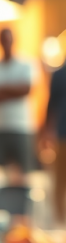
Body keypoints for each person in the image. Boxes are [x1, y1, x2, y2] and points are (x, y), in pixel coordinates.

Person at [0, 28, 36, 171]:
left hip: (21, 126)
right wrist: (13, 90)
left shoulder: (26, 64)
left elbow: (26, 90)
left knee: (25, 172)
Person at [43, 64, 66, 222]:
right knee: (59, 180)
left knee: (59, 180)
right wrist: (47, 131)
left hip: (62, 133)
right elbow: (51, 105)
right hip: (62, 134)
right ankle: (60, 220)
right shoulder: (59, 74)